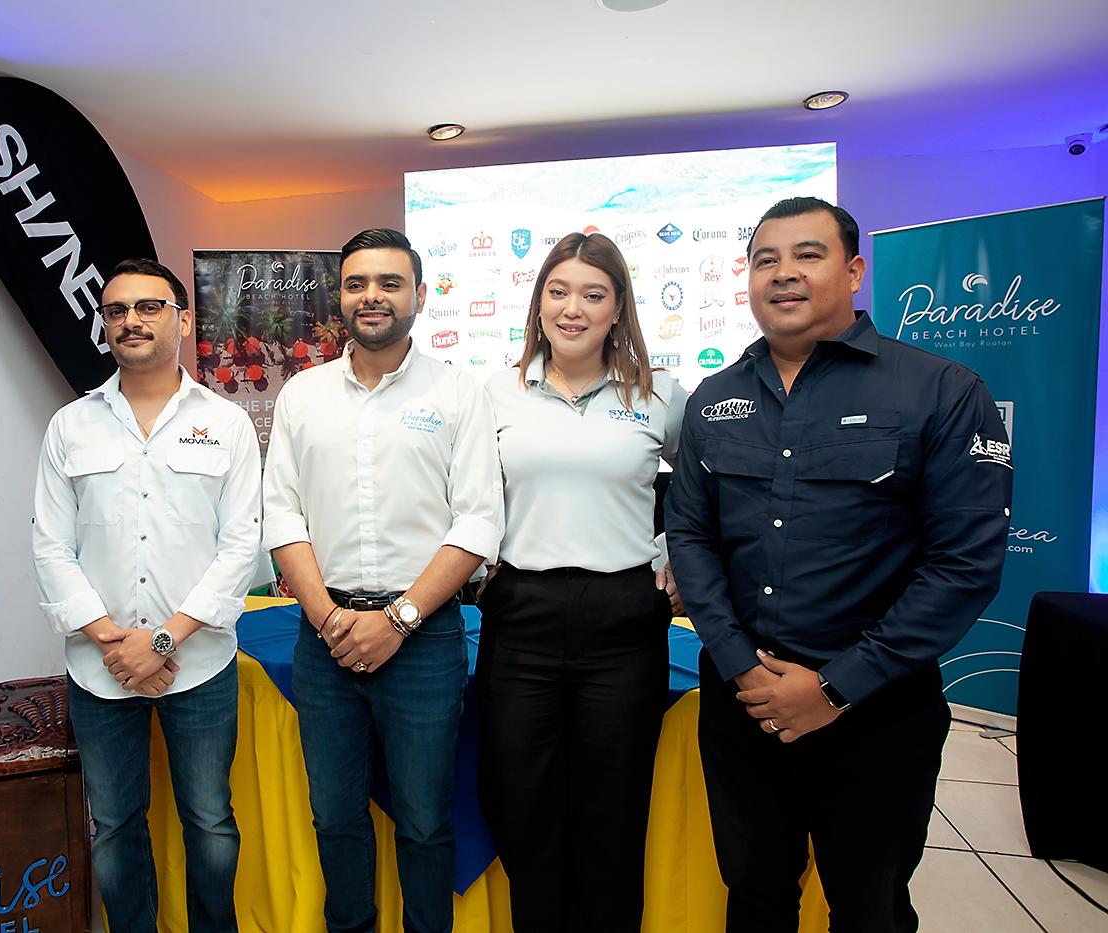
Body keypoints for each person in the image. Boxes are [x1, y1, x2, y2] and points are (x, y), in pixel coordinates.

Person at [665, 197, 1012, 932]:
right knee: (754, 895)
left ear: (854, 271)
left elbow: (963, 565)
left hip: (877, 712)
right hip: (744, 706)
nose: (783, 273)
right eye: (765, 260)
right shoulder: (714, 399)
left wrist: (833, 688)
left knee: (869, 904)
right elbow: (690, 537)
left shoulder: (941, 391)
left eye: (808, 254)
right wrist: (741, 667)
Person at [262, 228, 503, 933]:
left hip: (423, 641)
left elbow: (478, 521)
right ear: (340, 296)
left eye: (390, 283)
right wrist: (329, 619)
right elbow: (282, 513)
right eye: (358, 283)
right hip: (325, 640)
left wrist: (397, 620)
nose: (373, 296)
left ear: (420, 295)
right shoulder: (302, 395)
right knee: (335, 817)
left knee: (425, 821)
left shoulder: (458, 393)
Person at [32, 258, 261, 933]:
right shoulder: (70, 425)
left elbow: (240, 547)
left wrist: (161, 641)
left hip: (200, 662)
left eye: (149, 307)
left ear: (183, 321)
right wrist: (112, 640)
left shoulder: (227, 423)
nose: (131, 320)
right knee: (113, 824)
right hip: (99, 666)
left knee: (210, 821)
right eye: (117, 310)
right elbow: (50, 544)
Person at [476, 231, 687, 933]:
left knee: (612, 812)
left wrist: (676, 553)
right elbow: (465, 495)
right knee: (520, 806)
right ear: (538, 304)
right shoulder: (494, 394)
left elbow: (708, 488)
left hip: (623, 619)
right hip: (522, 616)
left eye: (593, 294)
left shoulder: (658, 395)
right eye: (558, 292)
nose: (573, 309)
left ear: (618, 307)